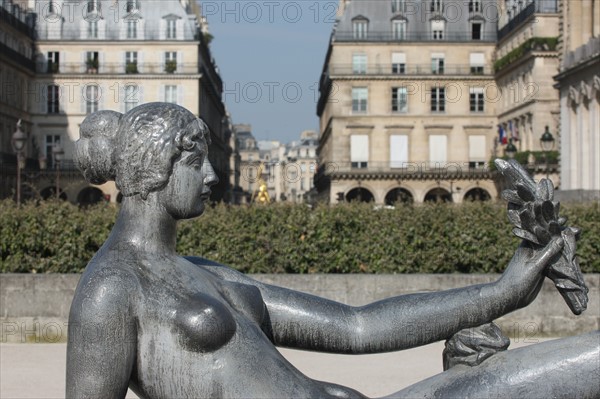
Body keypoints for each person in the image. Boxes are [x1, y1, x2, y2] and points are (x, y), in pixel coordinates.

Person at [67, 103, 599, 399]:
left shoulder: (205, 273)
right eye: (194, 160)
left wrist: (502, 293)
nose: (211, 174)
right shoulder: (112, 290)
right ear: (154, 167)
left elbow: (356, 326)